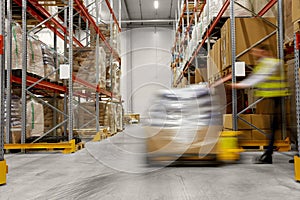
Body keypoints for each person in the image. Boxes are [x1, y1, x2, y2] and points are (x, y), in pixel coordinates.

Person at [231, 44, 289, 164]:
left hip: (278, 97)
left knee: (276, 127)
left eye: (256, 52)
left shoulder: (272, 63)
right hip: (272, 98)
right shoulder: (263, 64)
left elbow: (258, 78)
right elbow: (256, 77)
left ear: (264, 52)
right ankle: (268, 154)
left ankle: (268, 155)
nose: (254, 54)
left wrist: (239, 85)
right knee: (276, 126)